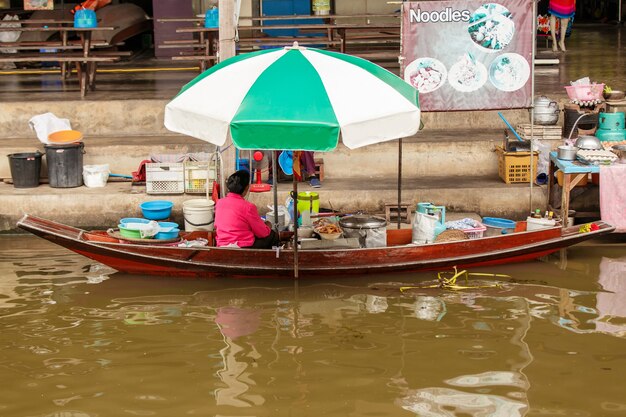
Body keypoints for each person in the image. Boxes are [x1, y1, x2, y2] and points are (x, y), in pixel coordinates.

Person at [214, 170, 280, 249]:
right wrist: (268, 226)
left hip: (222, 244)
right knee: (273, 235)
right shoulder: (248, 207)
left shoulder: (219, 202)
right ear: (246, 188)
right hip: (242, 246)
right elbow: (263, 233)